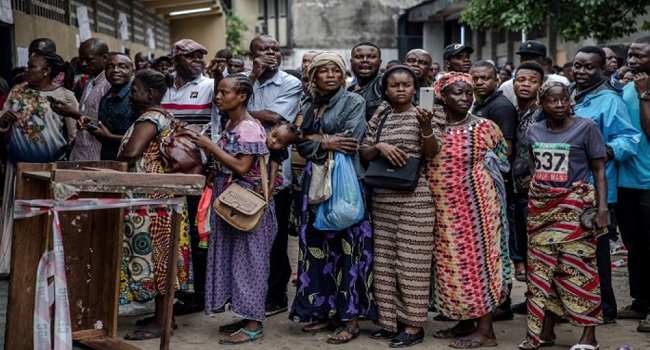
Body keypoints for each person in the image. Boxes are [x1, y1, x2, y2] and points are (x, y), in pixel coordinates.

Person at [289, 52, 377, 344]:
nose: (330, 76)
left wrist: (313, 141)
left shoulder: (354, 101)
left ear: (342, 76)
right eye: (323, 71)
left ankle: (349, 320)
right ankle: (322, 311)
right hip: (315, 187)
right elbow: (299, 145)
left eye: (335, 71)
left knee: (349, 251)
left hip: (346, 186)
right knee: (317, 250)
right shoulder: (309, 104)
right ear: (313, 76)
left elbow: (350, 142)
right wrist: (324, 141)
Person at [518, 81, 609, 350]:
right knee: (542, 272)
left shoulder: (586, 127)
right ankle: (545, 332)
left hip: (575, 210)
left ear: (571, 101)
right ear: (541, 104)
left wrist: (602, 209)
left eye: (564, 100)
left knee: (580, 270)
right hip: (541, 212)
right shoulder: (533, 130)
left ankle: (589, 336)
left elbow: (599, 170)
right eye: (552, 101)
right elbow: (535, 168)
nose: (559, 105)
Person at [359, 65, 443, 347]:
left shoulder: (428, 113)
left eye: (406, 84)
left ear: (415, 88)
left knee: (412, 264)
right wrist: (381, 147)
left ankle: (413, 326)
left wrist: (427, 126)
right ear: (386, 89)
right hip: (383, 197)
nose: (401, 89)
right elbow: (365, 151)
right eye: (394, 85)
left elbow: (433, 154)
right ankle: (389, 321)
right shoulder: (381, 113)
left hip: (415, 199)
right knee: (383, 263)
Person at [192, 75, 277, 345]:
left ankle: (254, 325)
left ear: (241, 97)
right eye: (217, 92)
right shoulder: (231, 122)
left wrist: (210, 146)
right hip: (231, 202)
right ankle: (244, 315)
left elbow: (241, 167)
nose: (218, 97)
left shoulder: (249, 127)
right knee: (236, 261)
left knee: (250, 263)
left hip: (247, 204)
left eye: (224, 92)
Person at [428, 72, 509, 348]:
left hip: (475, 207)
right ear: (442, 96)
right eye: (456, 93)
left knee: (478, 266)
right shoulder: (432, 125)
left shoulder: (484, 127)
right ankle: (464, 320)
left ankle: (486, 330)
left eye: (468, 93)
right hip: (441, 207)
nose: (464, 98)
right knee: (449, 266)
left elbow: (501, 157)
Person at [117, 69, 193, 340]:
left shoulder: (150, 117)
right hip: (160, 198)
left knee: (159, 258)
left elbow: (132, 152)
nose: (130, 94)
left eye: (134, 89)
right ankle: (163, 316)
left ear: (150, 93)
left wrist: (114, 165)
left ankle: (163, 322)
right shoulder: (164, 115)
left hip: (153, 201)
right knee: (163, 257)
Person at [571, 46, 640, 324]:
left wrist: (604, 151)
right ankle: (575, 303)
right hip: (568, 187)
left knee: (596, 253)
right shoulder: (571, 94)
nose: (582, 72)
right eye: (578, 66)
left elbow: (630, 139)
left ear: (602, 69)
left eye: (589, 67)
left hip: (596, 189)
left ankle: (604, 309)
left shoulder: (610, 100)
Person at [0, 50, 79, 273]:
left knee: (46, 214)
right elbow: (2, 121)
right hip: (18, 166)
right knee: (16, 213)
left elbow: (73, 136)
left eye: (31, 66)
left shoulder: (65, 96)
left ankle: (46, 262)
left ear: (46, 71)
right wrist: (4, 119)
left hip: (51, 166)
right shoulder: (17, 91)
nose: (26, 69)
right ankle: (13, 262)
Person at [244, 34, 302, 317]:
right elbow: (224, 111)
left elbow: (275, 118)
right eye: (263, 49)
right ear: (251, 54)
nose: (270, 53)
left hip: (275, 171)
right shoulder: (244, 79)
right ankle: (250, 292)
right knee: (247, 234)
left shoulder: (291, 83)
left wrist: (238, 110)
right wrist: (252, 77)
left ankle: (277, 294)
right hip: (242, 169)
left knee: (275, 239)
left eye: (275, 49)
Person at [163, 38, 221, 316]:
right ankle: (173, 290)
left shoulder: (209, 86)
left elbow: (220, 125)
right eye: (190, 56)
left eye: (201, 56)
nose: (197, 61)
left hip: (198, 173)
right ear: (175, 60)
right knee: (170, 233)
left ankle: (198, 294)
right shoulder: (160, 86)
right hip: (163, 173)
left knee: (199, 235)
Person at [617, 36, 650, 332]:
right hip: (626, 182)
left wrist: (645, 94)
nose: (633, 60)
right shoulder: (626, 88)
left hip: (649, 182)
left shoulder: (640, 90)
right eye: (631, 54)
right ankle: (641, 302)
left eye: (640, 56)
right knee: (635, 246)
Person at [510, 62, 545, 315]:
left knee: (538, 248)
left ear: (540, 85)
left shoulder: (543, 113)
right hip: (516, 191)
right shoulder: (514, 111)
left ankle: (545, 305)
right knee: (523, 246)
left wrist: (536, 174)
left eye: (531, 81)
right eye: (521, 80)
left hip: (535, 192)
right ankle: (532, 299)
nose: (525, 85)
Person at [51, 38, 111, 161]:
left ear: (105, 58)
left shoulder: (108, 85)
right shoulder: (89, 81)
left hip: (95, 155)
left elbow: (105, 126)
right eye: (81, 60)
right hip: (80, 152)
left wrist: (73, 113)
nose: (83, 64)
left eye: (89, 60)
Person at [83, 52, 139, 161]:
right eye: (110, 67)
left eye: (122, 66)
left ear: (133, 72)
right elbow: (105, 127)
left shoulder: (136, 98)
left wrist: (110, 137)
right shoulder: (105, 98)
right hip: (107, 161)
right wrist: (88, 123)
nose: (115, 70)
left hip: (130, 164)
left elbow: (143, 138)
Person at [500, 40, 570, 106]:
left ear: (544, 60)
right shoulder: (506, 87)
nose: (528, 61)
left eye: (534, 57)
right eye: (524, 57)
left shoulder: (561, 82)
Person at [348, 42, 383, 121]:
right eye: (359, 57)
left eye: (371, 57)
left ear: (380, 62)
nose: (365, 60)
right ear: (351, 62)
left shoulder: (385, 84)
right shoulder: (349, 92)